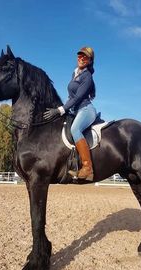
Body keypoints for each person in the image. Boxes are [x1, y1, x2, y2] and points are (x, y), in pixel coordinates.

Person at [43, 47, 97, 181]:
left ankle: (87, 168)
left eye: (85, 57)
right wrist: (61, 110)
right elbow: (70, 97)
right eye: (80, 56)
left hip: (86, 109)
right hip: (75, 110)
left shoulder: (87, 76)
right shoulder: (75, 73)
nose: (81, 58)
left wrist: (61, 109)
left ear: (90, 61)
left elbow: (77, 98)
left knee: (75, 129)